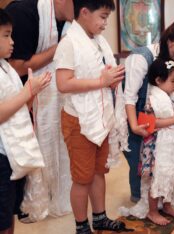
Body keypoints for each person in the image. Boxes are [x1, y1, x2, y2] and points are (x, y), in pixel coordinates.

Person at [54, 0, 129, 233]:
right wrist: (101, 81)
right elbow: (63, 83)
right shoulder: (69, 43)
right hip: (79, 119)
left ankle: (99, 217)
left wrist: (111, 76)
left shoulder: (98, 41)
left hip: (101, 117)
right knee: (82, 178)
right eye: (103, 16)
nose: (106, 23)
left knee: (99, 172)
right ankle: (81, 225)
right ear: (84, 12)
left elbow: (100, 72)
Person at [5, 0, 75, 217]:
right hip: (15, 99)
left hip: (36, 97)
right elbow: (17, 66)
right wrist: (59, 48)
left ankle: (49, 193)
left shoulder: (72, 25)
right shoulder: (24, 13)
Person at [124, 18, 174, 203]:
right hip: (134, 117)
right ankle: (139, 203)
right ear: (168, 39)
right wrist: (134, 126)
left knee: (156, 166)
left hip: (154, 122)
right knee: (139, 166)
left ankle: (158, 201)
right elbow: (129, 97)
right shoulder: (141, 57)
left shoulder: (170, 61)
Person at [120, 58, 174, 225]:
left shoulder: (171, 96)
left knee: (170, 176)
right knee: (157, 178)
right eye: (173, 81)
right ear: (158, 80)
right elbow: (149, 123)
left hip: (171, 145)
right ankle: (153, 211)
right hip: (157, 148)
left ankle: (168, 205)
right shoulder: (152, 98)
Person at [0, 9, 51, 234]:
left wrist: (31, 93)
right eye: (6, 35)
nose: (12, 42)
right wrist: (26, 92)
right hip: (2, 154)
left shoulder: (6, 69)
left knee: (10, 211)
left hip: (14, 154)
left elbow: (18, 109)